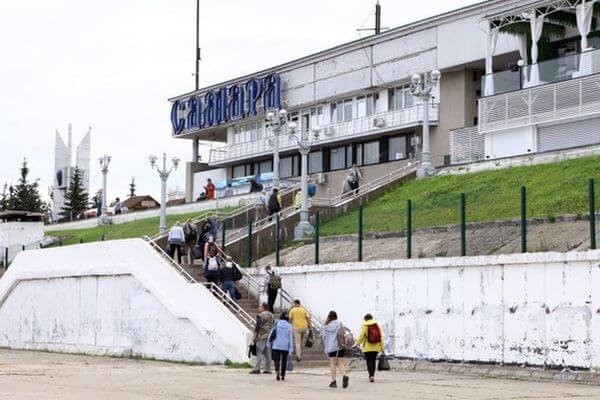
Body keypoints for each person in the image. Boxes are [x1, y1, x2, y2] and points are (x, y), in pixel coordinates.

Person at [322, 310, 349, 389]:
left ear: (329, 317)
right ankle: (344, 376)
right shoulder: (340, 324)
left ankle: (333, 382)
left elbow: (324, 338)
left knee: (333, 364)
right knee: (340, 363)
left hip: (332, 347)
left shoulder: (326, 326)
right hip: (341, 346)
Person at [355, 313, 384, 383]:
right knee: (373, 361)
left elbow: (361, 336)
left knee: (369, 362)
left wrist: (357, 343)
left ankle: (370, 376)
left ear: (365, 319)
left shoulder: (365, 325)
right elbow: (381, 337)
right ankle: (373, 375)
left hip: (368, 347)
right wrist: (381, 347)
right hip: (376, 347)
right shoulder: (377, 325)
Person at [250, 302, 274, 375]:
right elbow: (273, 325)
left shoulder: (260, 315)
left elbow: (257, 327)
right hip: (269, 335)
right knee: (268, 353)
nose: (259, 308)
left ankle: (257, 368)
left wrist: (254, 336)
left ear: (263, 307)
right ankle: (268, 369)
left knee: (259, 351)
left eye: (260, 306)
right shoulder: (271, 315)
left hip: (262, 335)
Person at [268, 312, 294, 381]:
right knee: (284, 361)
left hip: (276, 345)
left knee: (277, 360)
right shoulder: (289, 326)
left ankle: (277, 372)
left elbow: (271, 333)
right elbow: (290, 338)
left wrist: (268, 343)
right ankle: (283, 375)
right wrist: (291, 348)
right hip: (285, 346)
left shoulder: (277, 323)